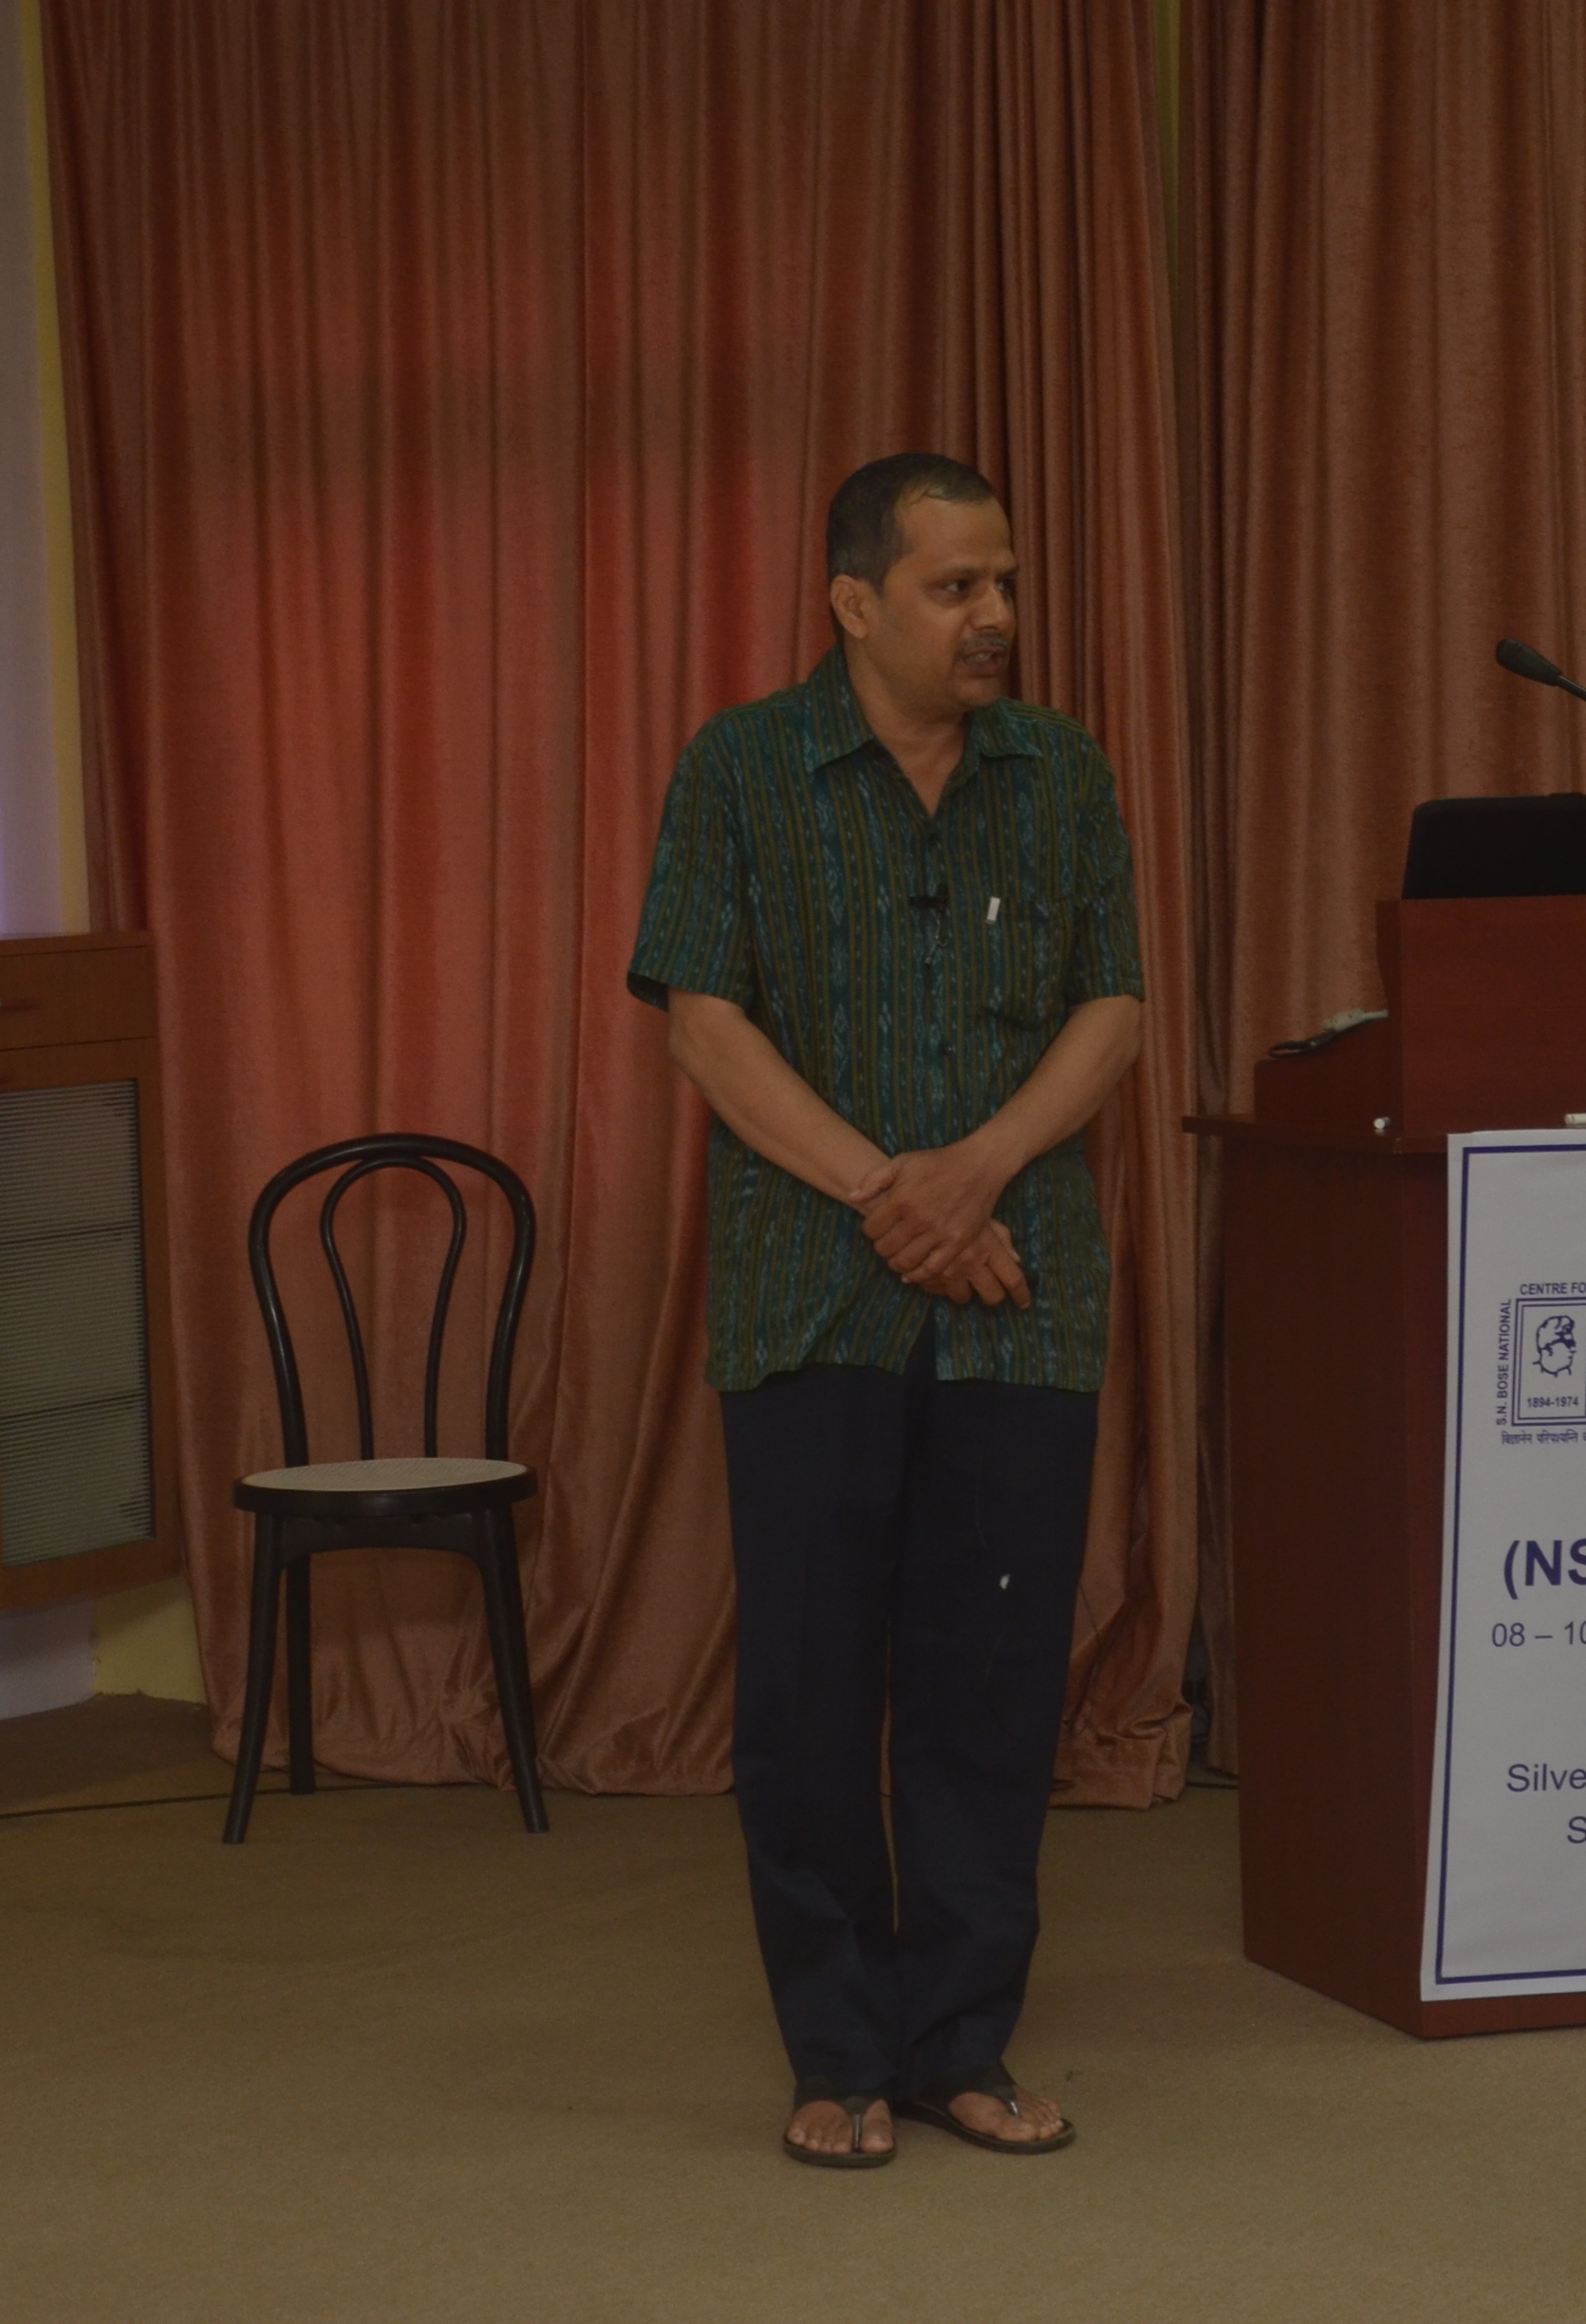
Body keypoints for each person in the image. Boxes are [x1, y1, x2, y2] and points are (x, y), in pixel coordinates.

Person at [627, 452, 1145, 2168]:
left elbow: (1113, 1010)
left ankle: (959, 2042)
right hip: (812, 1298)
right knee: (806, 1688)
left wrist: (976, 1171)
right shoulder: (742, 767)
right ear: (855, 602)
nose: (994, 614)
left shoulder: (1061, 772)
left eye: (1005, 582)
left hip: (1020, 1297)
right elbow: (704, 1024)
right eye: (954, 586)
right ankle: (837, 2047)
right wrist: (890, 1196)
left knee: (990, 1684)